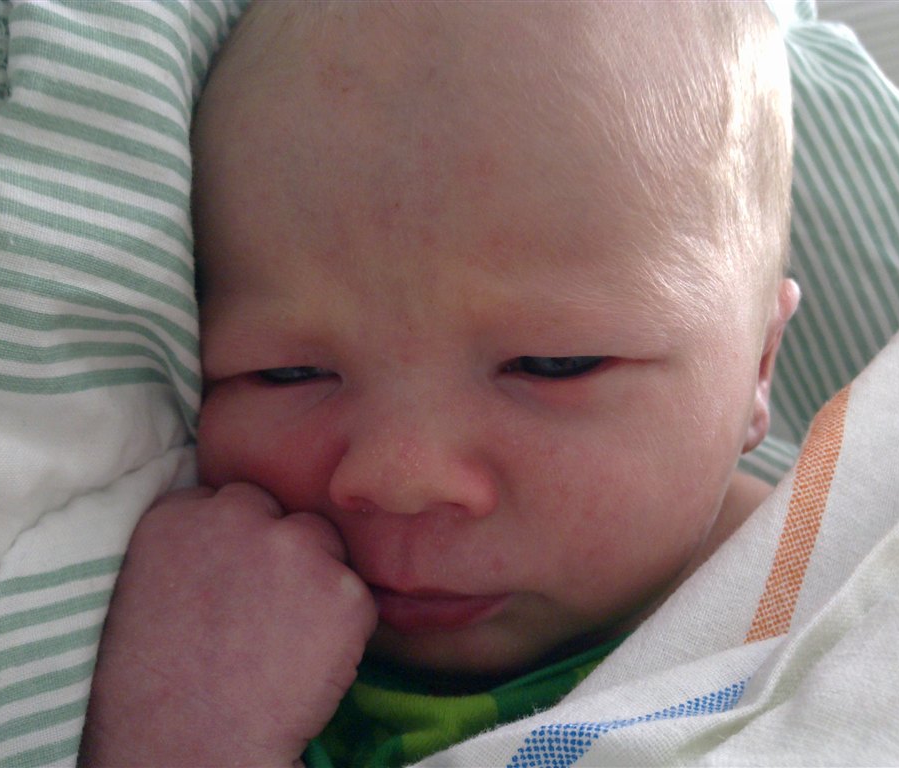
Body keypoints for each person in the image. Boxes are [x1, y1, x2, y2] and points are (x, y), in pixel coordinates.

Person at [79, 2, 800, 766]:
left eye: (551, 364)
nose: (402, 477)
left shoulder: (850, 596)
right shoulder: (203, 647)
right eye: (288, 373)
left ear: (758, 365)